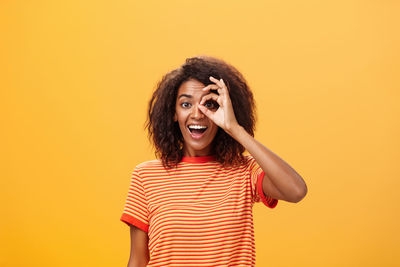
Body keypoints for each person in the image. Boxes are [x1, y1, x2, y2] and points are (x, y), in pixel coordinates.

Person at [120, 56, 308, 267]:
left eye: (209, 104)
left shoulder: (244, 171)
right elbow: (137, 261)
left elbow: (296, 190)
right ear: (173, 113)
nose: (197, 114)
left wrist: (235, 128)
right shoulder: (146, 176)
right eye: (185, 104)